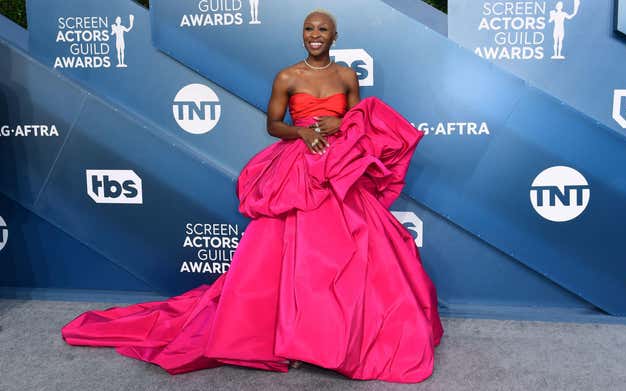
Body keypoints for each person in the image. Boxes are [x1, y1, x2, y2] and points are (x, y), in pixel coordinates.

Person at [61, 9, 444, 384]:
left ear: (334, 36)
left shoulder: (346, 76)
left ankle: (343, 337)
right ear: (302, 34)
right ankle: (287, 341)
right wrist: (303, 133)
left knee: (349, 256)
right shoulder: (287, 76)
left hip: (339, 169)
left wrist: (340, 122)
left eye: (323, 29)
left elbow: (360, 122)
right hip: (300, 166)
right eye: (309, 28)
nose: (315, 34)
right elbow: (274, 124)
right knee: (294, 259)